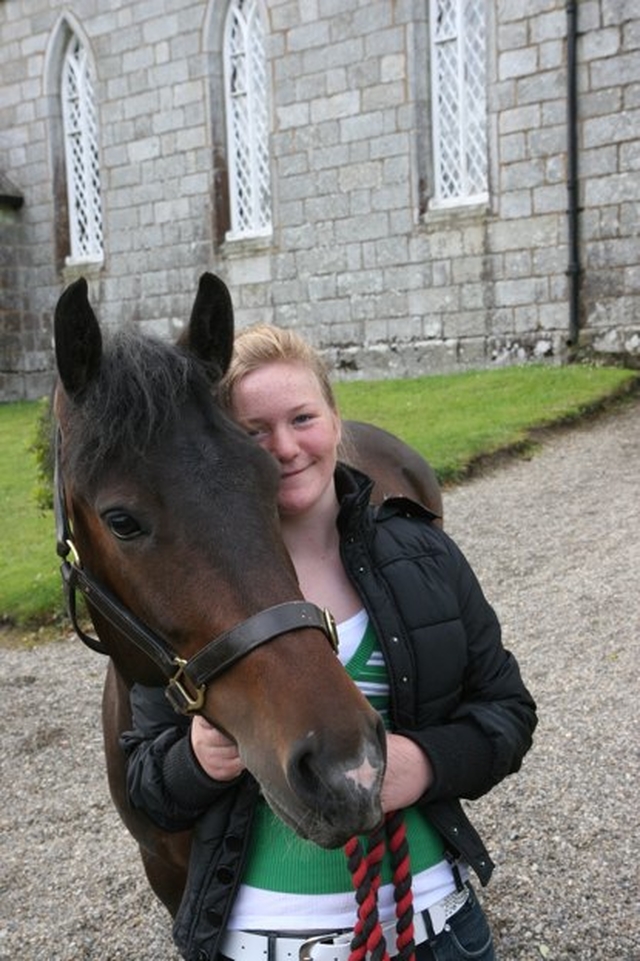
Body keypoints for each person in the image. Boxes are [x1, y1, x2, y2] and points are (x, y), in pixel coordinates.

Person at [121, 324, 537, 961]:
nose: (284, 447)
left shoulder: (425, 555)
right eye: (254, 431)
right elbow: (144, 786)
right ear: (223, 449)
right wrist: (196, 761)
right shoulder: (184, 588)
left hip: (435, 928)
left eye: (303, 418)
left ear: (336, 421)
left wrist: (422, 765)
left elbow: (508, 712)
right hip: (263, 942)